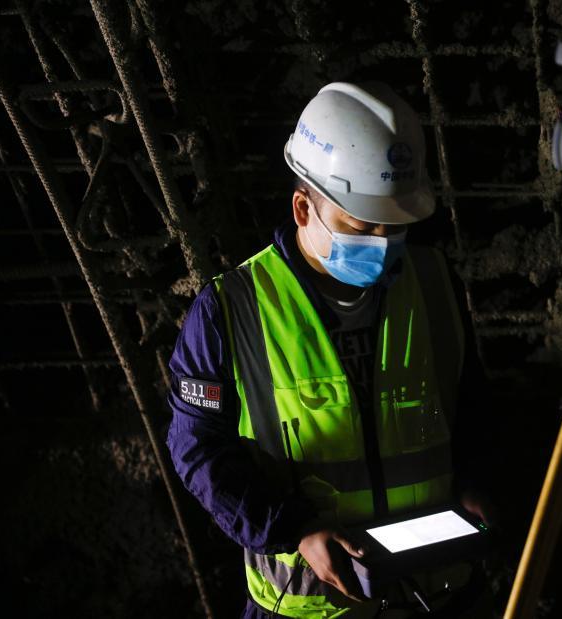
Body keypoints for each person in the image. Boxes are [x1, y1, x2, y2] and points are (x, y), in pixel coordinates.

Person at [166, 81, 495, 618]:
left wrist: (476, 482)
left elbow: (470, 403)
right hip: (311, 607)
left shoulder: (434, 281)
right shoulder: (232, 310)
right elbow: (198, 450)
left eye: (396, 225)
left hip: (438, 592)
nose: (385, 242)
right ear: (303, 208)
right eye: (363, 226)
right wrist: (295, 529)